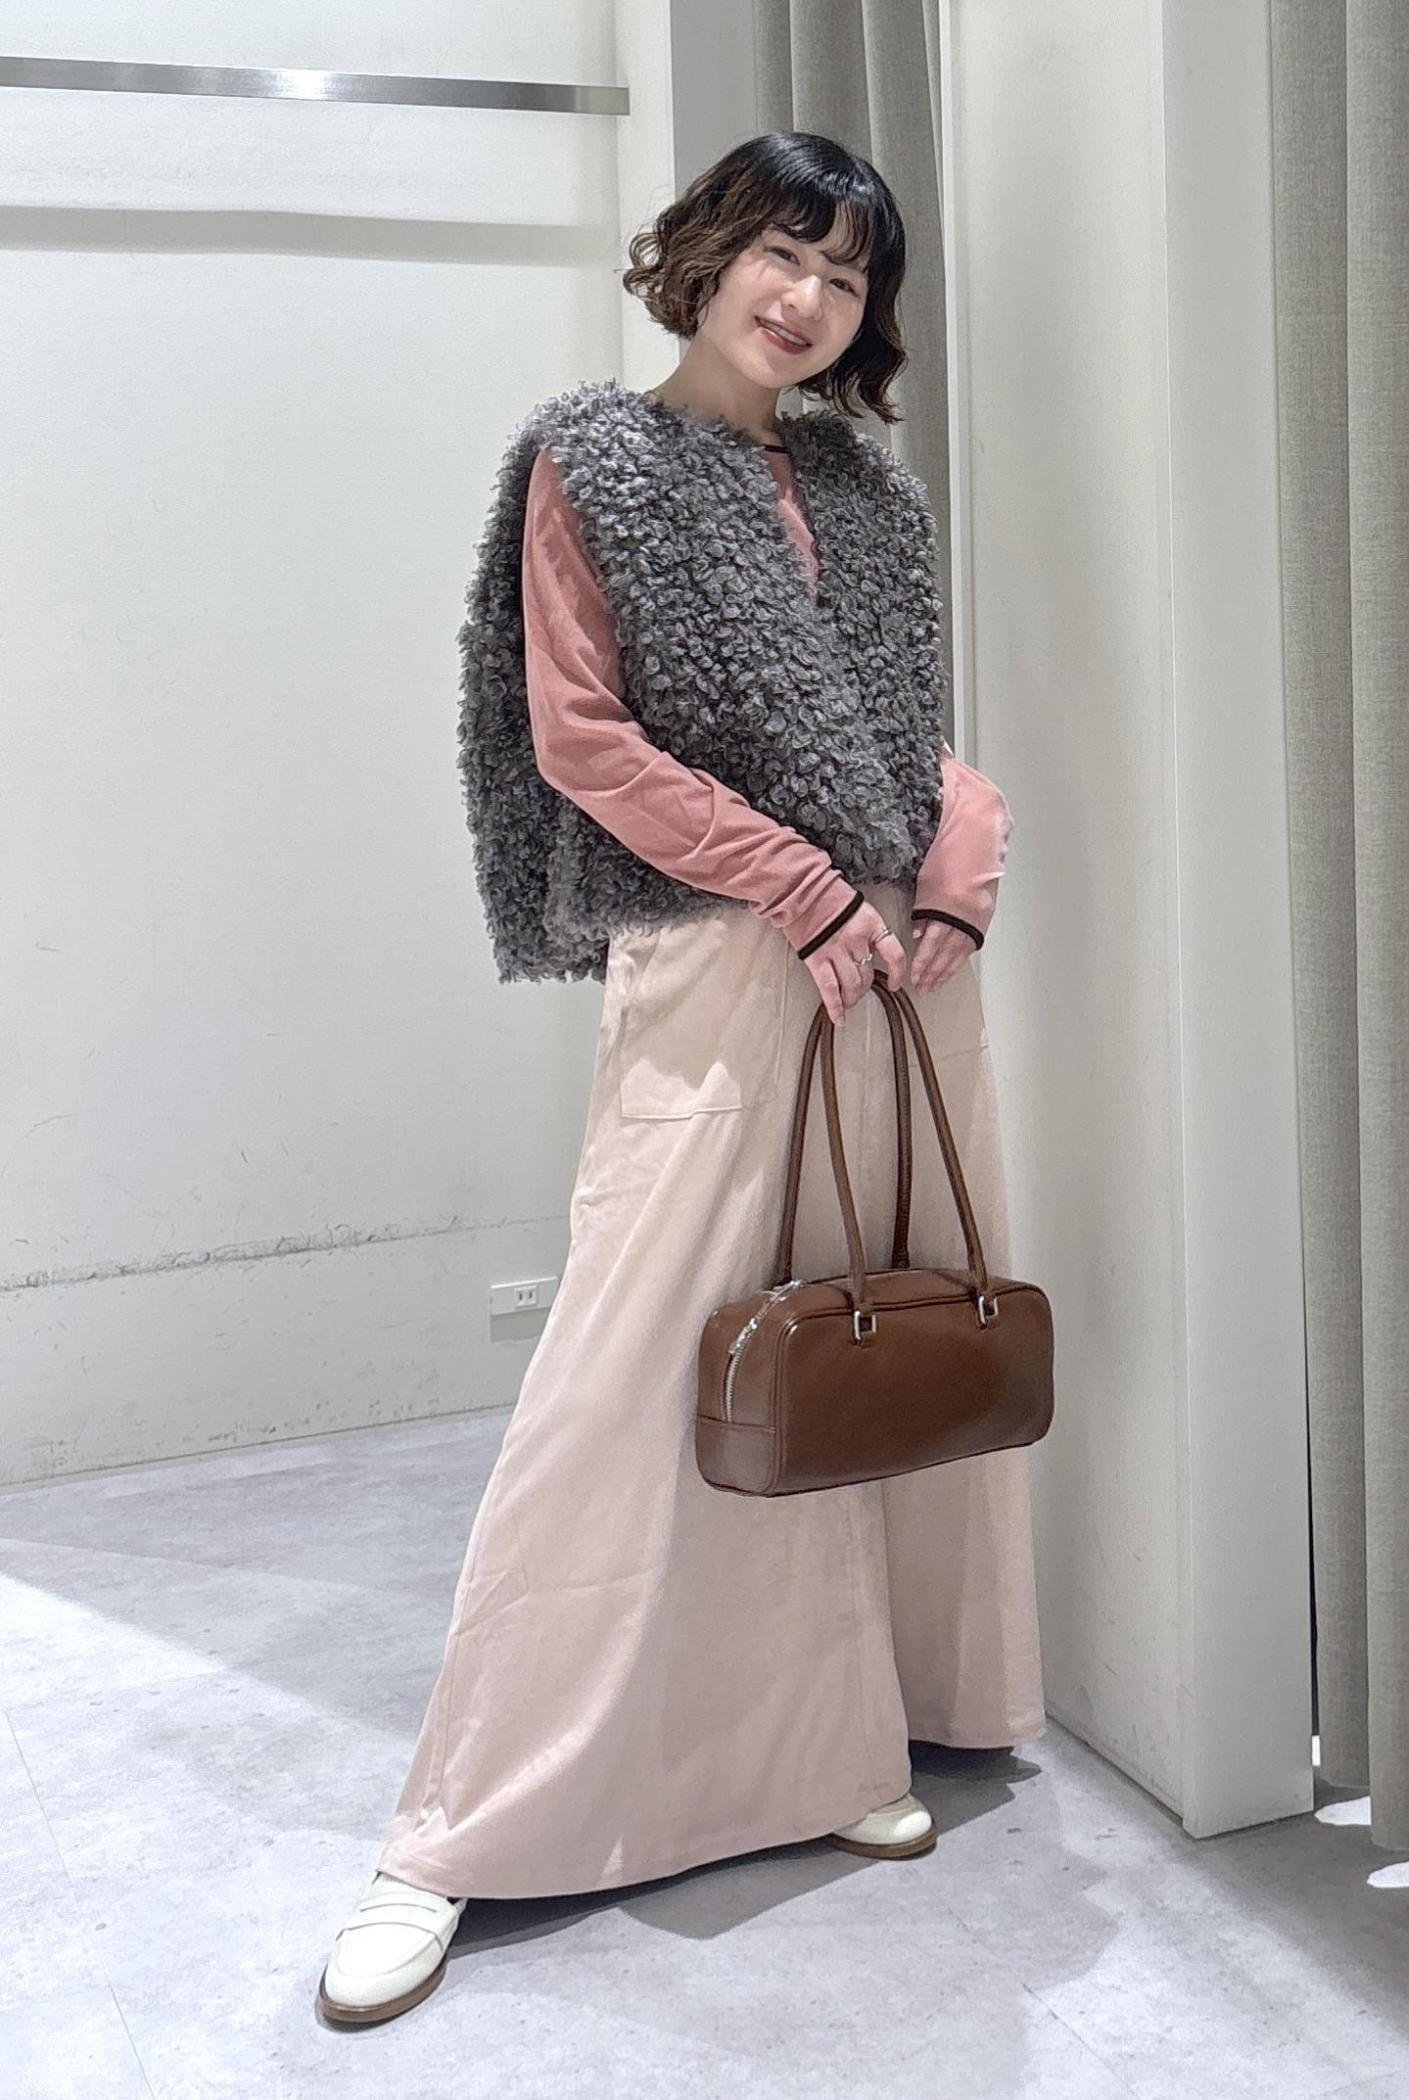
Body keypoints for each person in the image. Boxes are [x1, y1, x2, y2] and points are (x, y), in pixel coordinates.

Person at [317, 130, 1045, 2029]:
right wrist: (802, 885)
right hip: (733, 956)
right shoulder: (597, 457)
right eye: (782, 253)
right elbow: (582, 736)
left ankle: (831, 1746)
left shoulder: (868, 491)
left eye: (848, 276)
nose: (807, 298)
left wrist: (957, 876)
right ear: (708, 251)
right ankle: (458, 1831)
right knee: (634, 1374)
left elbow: (913, 738)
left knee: (848, 1349)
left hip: (897, 970)